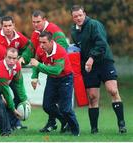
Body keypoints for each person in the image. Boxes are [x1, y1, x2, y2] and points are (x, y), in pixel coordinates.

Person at [70, 5, 127, 134]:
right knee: (92, 97)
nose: (78, 18)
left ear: (84, 14)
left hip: (104, 62)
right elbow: (79, 49)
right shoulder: (74, 31)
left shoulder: (94, 25)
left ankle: (121, 124)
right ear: (72, 18)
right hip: (89, 66)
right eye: (75, 16)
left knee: (112, 90)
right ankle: (94, 129)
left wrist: (91, 58)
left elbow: (101, 43)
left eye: (80, 15)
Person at [30, 31, 80, 136]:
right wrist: (34, 77)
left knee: (65, 108)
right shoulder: (40, 49)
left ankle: (75, 131)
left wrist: (39, 65)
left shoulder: (60, 52)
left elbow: (56, 70)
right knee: (47, 106)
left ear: (51, 42)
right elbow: (36, 62)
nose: (41, 45)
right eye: (40, 42)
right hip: (52, 79)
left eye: (44, 42)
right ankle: (64, 121)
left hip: (65, 78)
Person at [31, 9, 69, 133]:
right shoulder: (36, 34)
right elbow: (37, 56)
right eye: (33, 22)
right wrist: (34, 76)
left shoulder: (56, 32)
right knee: (48, 105)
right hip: (51, 74)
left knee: (63, 106)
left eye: (38, 22)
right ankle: (57, 122)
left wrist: (50, 64)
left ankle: (65, 124)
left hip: (63, 74)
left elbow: (63, 51)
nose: (36, 24)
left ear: (44, 20)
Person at [0, 16, 32, 129]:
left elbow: (29, 47)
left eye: (10, 25)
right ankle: (3, 124)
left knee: (19, 97)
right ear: (2, 26)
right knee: (2, 99)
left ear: (13, 25)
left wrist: (23, 58)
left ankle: (16, 123)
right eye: (5, 26)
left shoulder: (19, 37)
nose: (8, 28)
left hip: (14, 73)